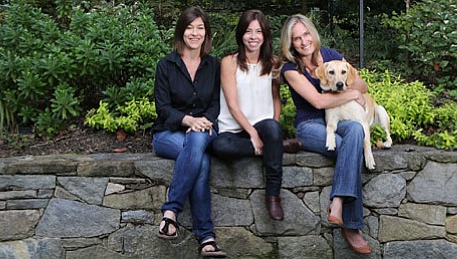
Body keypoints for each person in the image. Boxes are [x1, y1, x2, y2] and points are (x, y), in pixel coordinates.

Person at [279, 14, 372, 254]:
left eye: (306, 34)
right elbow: (318, 101)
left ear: (313, 34)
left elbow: (361, 84)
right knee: (349, 147)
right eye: (296, 38)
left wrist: (350, 86)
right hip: (310, 125)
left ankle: (338, 202)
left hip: (339, 118)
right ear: (290, 43)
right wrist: (351, 94)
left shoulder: (331, 56)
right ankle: (351, 226)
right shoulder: (291, 69)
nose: (303, 41)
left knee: (355, 129)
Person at [152, 6, 227, 258]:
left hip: (204, 129)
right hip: (167, 135)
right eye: (190, 27)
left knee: (197, 144)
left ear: (206, 34)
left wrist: (203, 121)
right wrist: (187, 120)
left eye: (200, 28)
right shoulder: (166, 65)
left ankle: (170, 214)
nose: (195, 33)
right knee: (201, 160)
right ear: (181, 31)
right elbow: (162, 108)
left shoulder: (214, 65)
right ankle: (206, 237)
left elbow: (217, 102)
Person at [211, 10, 284, 221]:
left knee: (272, 129)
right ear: (241, 34)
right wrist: (252, 134)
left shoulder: (274, 62)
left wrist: (275, 129)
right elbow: (232, 105)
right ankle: (275, 147)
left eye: (258, 31)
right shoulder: (229, 62)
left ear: (265, 35)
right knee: (220, 147)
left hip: (263, 126)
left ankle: (273, 195)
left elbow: (276, 98)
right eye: (248, 31)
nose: (253, 36)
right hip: (234, 131)